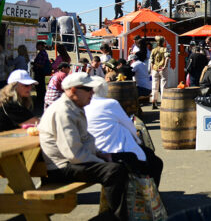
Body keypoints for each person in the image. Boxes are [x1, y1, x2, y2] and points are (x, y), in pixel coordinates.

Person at [38, 73, 129, 220]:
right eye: (88, 89)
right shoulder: (63, 111)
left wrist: (101, 154)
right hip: (61, 168)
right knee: (114, 170)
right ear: (73, 90)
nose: (92, 92)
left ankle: (116, 215)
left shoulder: (74, 107)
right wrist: (102, 161)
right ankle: (114, 218)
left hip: (72, 162)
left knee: (127, 158)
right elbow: (75, 154)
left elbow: (86, 140)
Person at [85, 78, 163, 186]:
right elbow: (128, 124)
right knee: (155, 162)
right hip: (111, 150)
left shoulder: (83, 105)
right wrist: (137, 140)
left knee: (148, 155)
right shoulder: (110, 103)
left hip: (94, 148)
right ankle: (149, 193)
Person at [150, 36, 170, 108]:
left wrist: (152, 68)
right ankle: (163, 102)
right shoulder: (165, 49)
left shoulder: (153, 50)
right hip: (162, 69)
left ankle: (153, 100)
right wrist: (165, 66)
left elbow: (151, 60)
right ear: (163, 42)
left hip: (155, 69)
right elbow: (167, 58)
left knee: (154, 86)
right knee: (163, 86)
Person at [32, 41, 51, 111]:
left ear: (40, 46)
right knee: (40, 87)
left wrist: (34, 64)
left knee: (40, 87)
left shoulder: (42, 53)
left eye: (37, 45)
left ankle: (40, 101)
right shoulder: (42, 53)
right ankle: (40, 100)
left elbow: (41, 65)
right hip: (40, 73)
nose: (36, 47)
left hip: (40, 73)